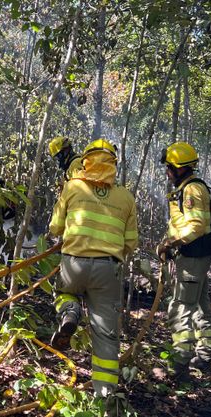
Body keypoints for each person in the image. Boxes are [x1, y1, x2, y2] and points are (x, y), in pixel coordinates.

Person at [48, 139, 138, 397]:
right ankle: (106, 395)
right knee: (106, 336)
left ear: (86, 161)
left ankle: (70, 309)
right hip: (108, 270)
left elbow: (55, 227)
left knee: (63, 293)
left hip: (74, 263)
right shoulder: (126, 197)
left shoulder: (72, 186)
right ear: (113, 164)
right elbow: (131, 242)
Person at [155, 141, 211, 378]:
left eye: (169, 167)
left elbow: (196, 227)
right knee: (201, 307)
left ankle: (179, 364)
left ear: (179, 168)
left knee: (180, 308)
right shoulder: (188, 189)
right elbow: (182, 223)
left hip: (192, 259)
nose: (167, 172)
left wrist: (171, 243)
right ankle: (205, 356)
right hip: (196, 258)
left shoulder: (191, 191)